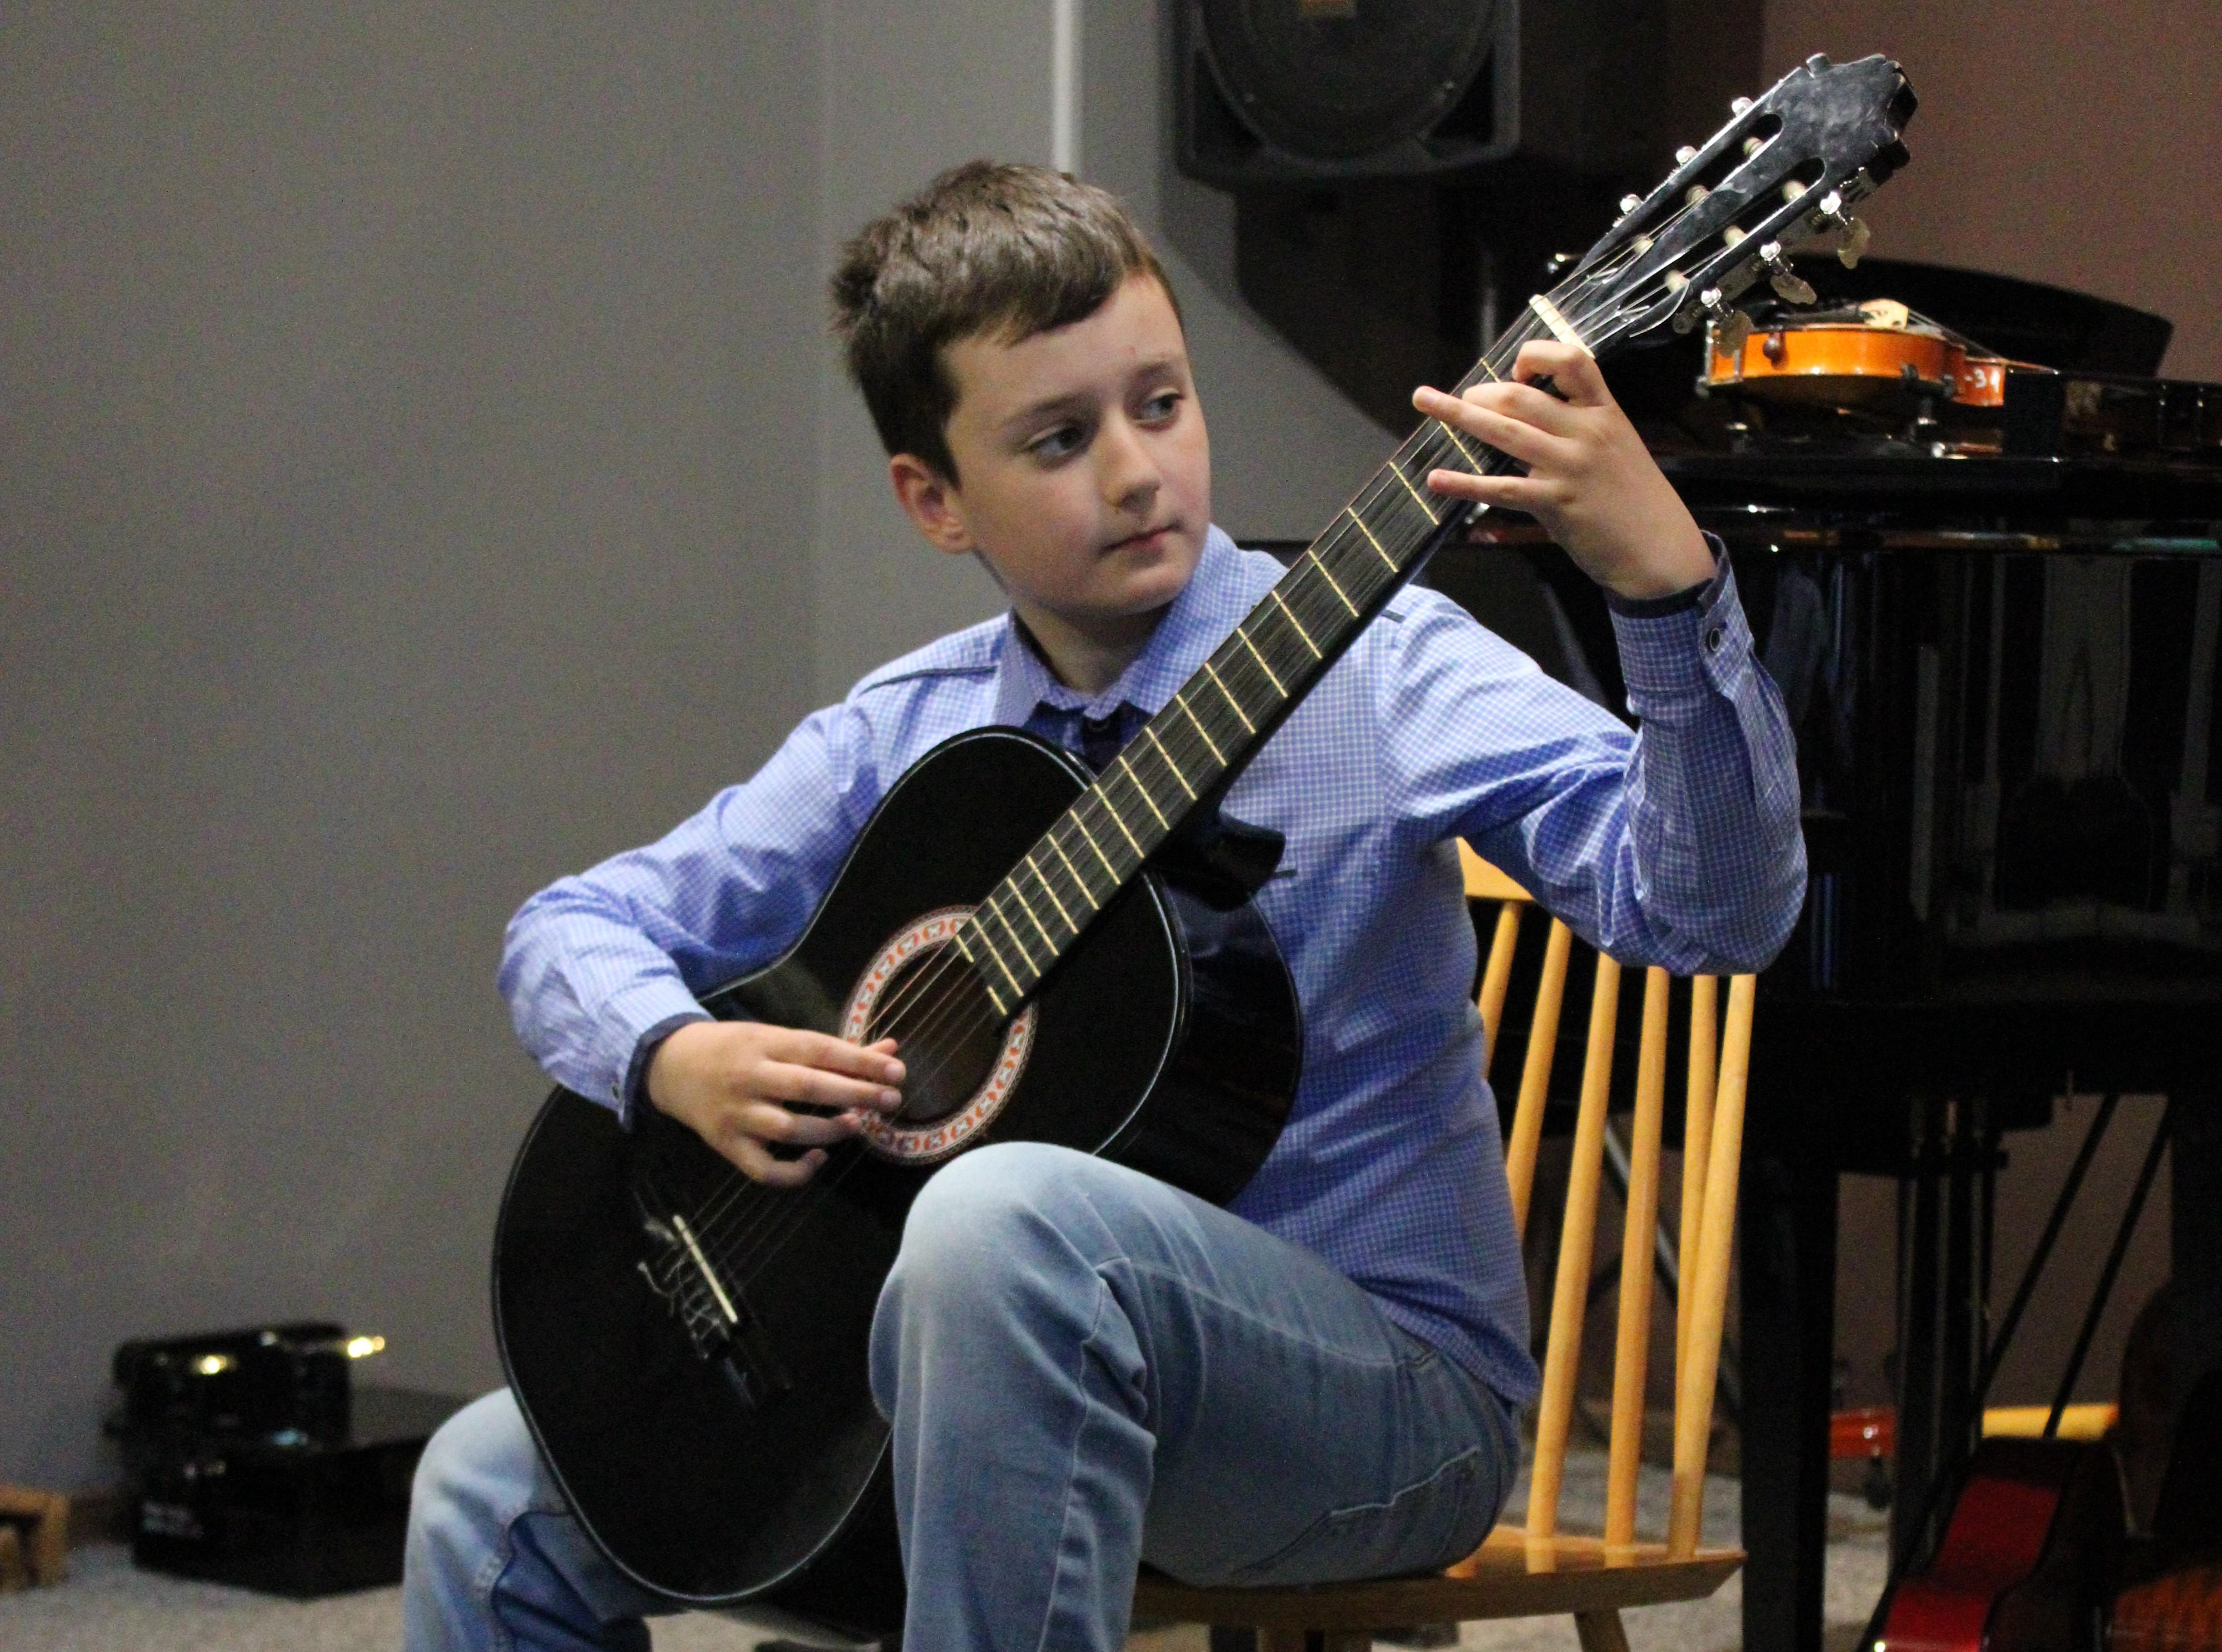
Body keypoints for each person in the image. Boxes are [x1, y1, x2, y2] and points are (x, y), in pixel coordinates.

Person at [402, 159, 1805, 1652]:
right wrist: (673, 1054)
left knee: (999, 1226)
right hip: (981, 1371)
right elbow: (572, 928)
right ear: (935, 501)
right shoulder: (908, 732)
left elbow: (1712, 918)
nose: (1139, 472)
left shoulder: (1388, 671)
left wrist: (1664, 588)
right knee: (481, 1494)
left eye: (1163, 403)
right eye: (1061, 438)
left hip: (1384, 1402)